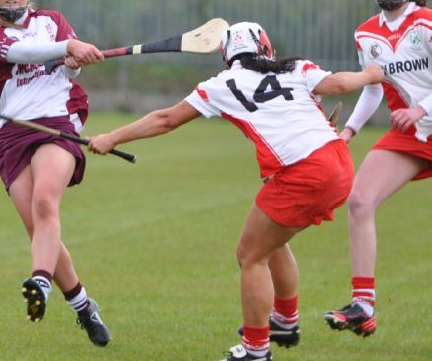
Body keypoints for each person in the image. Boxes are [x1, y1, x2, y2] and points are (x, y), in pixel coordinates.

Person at [87, 21, 384, 360]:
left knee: (250, 255)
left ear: (228, 55)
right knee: (271, 241)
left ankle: (256, 351)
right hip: (338, 161)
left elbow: (166, 119)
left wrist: (112, 137)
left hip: (304, 172)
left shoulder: (222, 83)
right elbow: (341, 84)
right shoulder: (295, 67)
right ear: (265, 47)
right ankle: (285, 321)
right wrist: (370, 74)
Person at [0, 0, 111, 347]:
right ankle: (84, 307)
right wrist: (68, 47)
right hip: (12, 133)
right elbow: (23, 54)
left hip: (56, 121)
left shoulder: (52, 20)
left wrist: (75, 60)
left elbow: (69, 69)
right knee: (39, 230)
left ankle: (40, 281)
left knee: (45, 203)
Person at [324, 0, 431, 338]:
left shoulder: (426, 23)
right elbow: (373, 90)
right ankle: (363, 305)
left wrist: (419, 109)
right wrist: (349, 131)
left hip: (418, 119)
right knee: (360, 200)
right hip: (412, 136)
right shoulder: (366, 33)